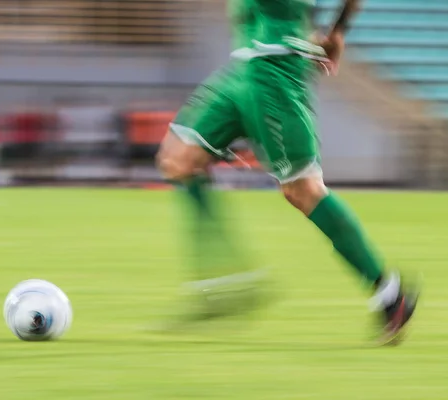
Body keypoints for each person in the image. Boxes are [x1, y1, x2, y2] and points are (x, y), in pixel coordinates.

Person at [155, 0, 419, 344]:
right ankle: (222, 286)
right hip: (245, 65)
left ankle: (390, 294)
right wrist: (329, 32)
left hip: (275, 67)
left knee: (303, 190)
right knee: (180, 160)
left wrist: (337, 32)